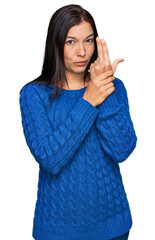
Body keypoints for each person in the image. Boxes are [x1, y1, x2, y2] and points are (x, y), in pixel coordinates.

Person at [19, 4, 137, 240]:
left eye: (89, 40)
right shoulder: (34, 94)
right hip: (57, 230)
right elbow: (50, 159)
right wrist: (89, 100)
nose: (82, 52)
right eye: (71, 42)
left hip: (113, 226)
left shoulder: (113, 88)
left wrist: (104, 91)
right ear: (56, 44)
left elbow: (122, 150)